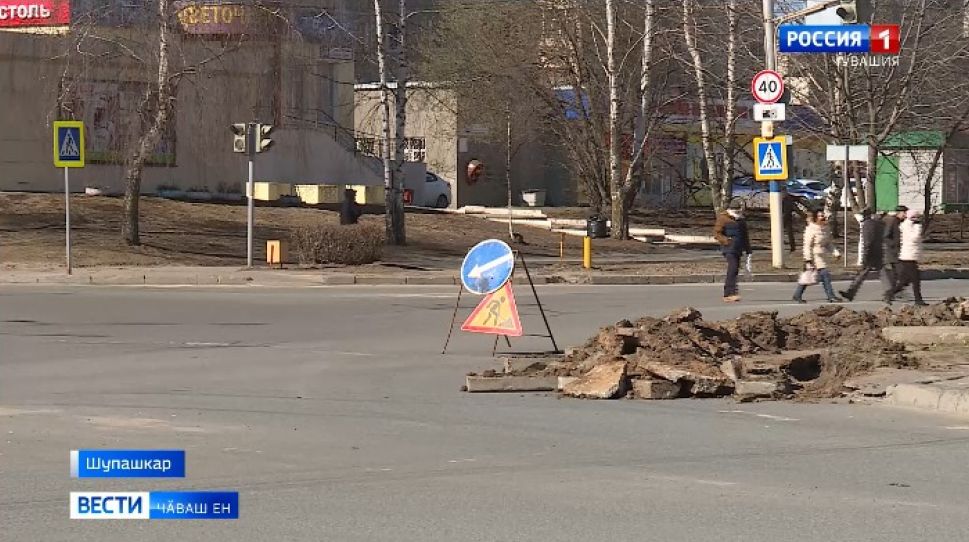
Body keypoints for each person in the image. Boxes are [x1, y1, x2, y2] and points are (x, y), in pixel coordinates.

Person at [839, 208, 892, 303]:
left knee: (864, 272)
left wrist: (865, 255)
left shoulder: (867, 224)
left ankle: (851, 292)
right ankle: (888, 292)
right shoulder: (880, 224)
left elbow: (867, 241)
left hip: (870, 251)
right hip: (878, 250)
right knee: (881, 272)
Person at [793, 210, 843, 304]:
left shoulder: (826, 229)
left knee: (809, 277)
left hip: (822, 256)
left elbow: (828, 244)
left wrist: (836, 253)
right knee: (824, 276)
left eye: (823, 215)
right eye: (820, 216)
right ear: (815, 218)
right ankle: (831, 296)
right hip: (814, 257)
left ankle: (797, 295)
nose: (822, 217)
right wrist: (808, 259)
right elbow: (807, 245)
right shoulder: (811, 230)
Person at [713, 200, 752, 303]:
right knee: (733, 269)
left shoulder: (741, 220)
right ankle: (728, 293)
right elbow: (717, 233)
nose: (738, 213)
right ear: (730, 210)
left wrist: (748, 249)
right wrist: (726, 241)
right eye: (736, 211)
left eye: (739, 211)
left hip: (738, 248)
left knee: (735, 270)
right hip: (729, 248)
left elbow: (745, 236)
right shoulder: (723, 218)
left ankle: (733, 292)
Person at [892, 209, 928, 306]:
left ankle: (890, 293)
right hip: (909, 256)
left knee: (905, 280)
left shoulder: (907, 225)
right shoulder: (909, 226)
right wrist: (918, 227)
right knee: (916, 279)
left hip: (909, 255)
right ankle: (918, 300)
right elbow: (914, 238)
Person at [882, 205, 907, 291]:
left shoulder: (899, 221)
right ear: (899, 213)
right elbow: (885, 236)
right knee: (899, 272)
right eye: (904, 213)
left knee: (897, 273)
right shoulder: (892, 221)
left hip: (897, 251)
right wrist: (893, 245)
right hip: (893, 251)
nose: (905, 215)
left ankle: (892, 292)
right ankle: (891, 292)